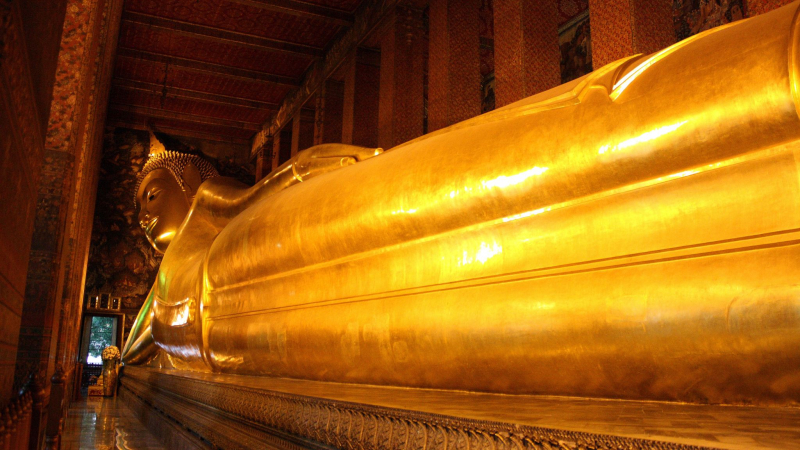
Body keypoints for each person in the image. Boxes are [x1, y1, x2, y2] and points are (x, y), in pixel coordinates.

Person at [124, 3, 800, 405]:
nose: (148, 218)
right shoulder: (167, 284)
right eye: (139, 211)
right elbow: (142, 341)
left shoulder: (229, 220)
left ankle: (768, 80)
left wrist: (290, 176)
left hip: (264, 242)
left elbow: (269, 191)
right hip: (254, 325)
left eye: (154, 195)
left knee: (490, 174)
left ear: (191, 183)